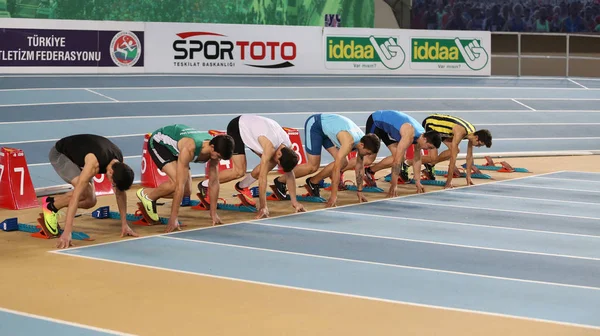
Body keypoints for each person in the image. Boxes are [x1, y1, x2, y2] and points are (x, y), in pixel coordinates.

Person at [197, 115, 305, 219]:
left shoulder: (288, 147)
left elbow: (290, 173)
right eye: (279, 162)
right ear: (279, 154)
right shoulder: (269, 147)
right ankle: (205, 185)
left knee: (270, 163)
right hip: (238, 127)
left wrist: (295, 202)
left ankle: (242, 186)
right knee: (239, 171)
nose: (278, 164)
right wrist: (263, 206)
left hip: (256, 131)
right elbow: (262, 178)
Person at [41, 134, 136, 249]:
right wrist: (67, 232)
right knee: (84, 193)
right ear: (110, 172)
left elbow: (120, 193)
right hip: (61, 154)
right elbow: (76, 197)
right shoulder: (94, 164)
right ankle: (51, 207)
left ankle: (52, 200)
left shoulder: (119, 162)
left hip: (82, 153)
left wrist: (124, 224)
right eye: (113, 183)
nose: (113, 186)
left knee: (91, 201)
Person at [136, 124, 234, 232]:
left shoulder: (214, 151)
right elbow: (179, 185)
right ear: (212, 147)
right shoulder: (190, 148)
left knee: (187, 192)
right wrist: (173, 219)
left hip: (177, 147)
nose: (218, 160)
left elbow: (214, 182)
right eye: (219, 156)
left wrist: (213, 213)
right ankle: (148, 195)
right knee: (176, 184)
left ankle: (150, 195)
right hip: (159, 143)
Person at [273, 113, 381, 208]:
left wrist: (360, 191)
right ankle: (280, 181)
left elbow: (359, 168)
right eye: (367, 153)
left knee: (345, 162)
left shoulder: (362, 141)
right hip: (316, 125)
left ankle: (313, 182)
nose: (368, 155)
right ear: (361, 145)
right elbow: (336, 169)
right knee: (313, 166)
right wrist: (333, 196)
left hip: (328, 129)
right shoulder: (348, 143)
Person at [354, 110, 441, 197]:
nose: (427, 149)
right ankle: (341, 169)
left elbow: (417, 160)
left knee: (401, 157)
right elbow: (397, 162)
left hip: (387, 129)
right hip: (376, 121)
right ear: (425, 140)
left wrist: (418, 182)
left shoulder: (421, 136)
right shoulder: (409, 135)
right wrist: (394, 185)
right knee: (369, 159)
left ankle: (369, 171)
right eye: (429, 147)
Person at [416, 113, 492, 188]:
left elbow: (469, 157)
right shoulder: (460, 132)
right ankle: (407, 163)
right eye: (479, 144)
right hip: (431, 124)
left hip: (444, 132)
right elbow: (453, 159)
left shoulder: (472, 133)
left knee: (455, 150)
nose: (478, 147)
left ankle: (430, 165)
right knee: (433, 157)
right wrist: (448, 182)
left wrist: (468, 177)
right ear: (476, 137)